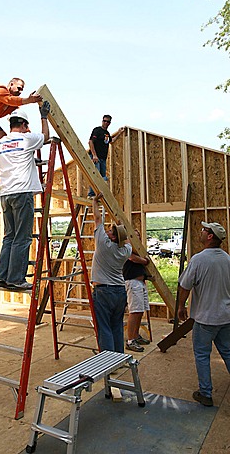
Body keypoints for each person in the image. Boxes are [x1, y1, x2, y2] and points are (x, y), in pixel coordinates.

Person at [0, 100, 50, 290]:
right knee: (22, 238)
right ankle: (16, 279)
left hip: (5, 193)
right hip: (22, 192)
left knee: (9, 236)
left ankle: (1, 277)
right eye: (27, 126)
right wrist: (44, 116)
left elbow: (14, 159)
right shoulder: (27, 139)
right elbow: (46, 136)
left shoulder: (1, 142)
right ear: (24, 124)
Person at [178, 221, 230, 407]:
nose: (200, 232)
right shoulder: (227, 259)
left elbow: (185, 285)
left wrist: (181, 306)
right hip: (225, 317)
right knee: (228, 352)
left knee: (201, 354)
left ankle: (205, 394)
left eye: (204, 230)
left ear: (210, 237)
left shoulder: (199, 260)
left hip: (206, 318)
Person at [91, 192, 132, 352]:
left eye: (110, 231)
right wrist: (120, 226)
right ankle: (118, 359)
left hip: (103, 292)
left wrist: (95, 202)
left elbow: (97, 219)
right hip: (120, 291)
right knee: (116, 326)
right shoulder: (126, 251)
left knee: (105, 328)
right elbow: (126, 239)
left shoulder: (103, 244)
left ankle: (108, 363)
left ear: (113, 238)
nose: (107, 231)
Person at [123, 229, 151, 352]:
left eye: (139, 236)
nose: (137, 238)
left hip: (140, 283)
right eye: (134, 236)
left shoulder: (138, 250)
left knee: (140, 311)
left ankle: (136, 335)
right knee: (134, 311)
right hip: (132, 282)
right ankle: (130, 340)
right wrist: (145, 261)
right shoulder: (126, 248)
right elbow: (132, 259)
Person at [87, 115, 125, 198]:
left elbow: (112, 141)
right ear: (102, 121)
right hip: (96, 157)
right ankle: (91, 194)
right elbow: (90, 142)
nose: (106, 123)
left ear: (110, 123)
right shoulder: (97, 130)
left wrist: (119, 133)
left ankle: (99, 194)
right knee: (95, 175)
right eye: (104, 121)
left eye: (108, 122)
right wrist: (94, 155)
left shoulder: (107, 134)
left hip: (103, 159)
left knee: (102, 177)